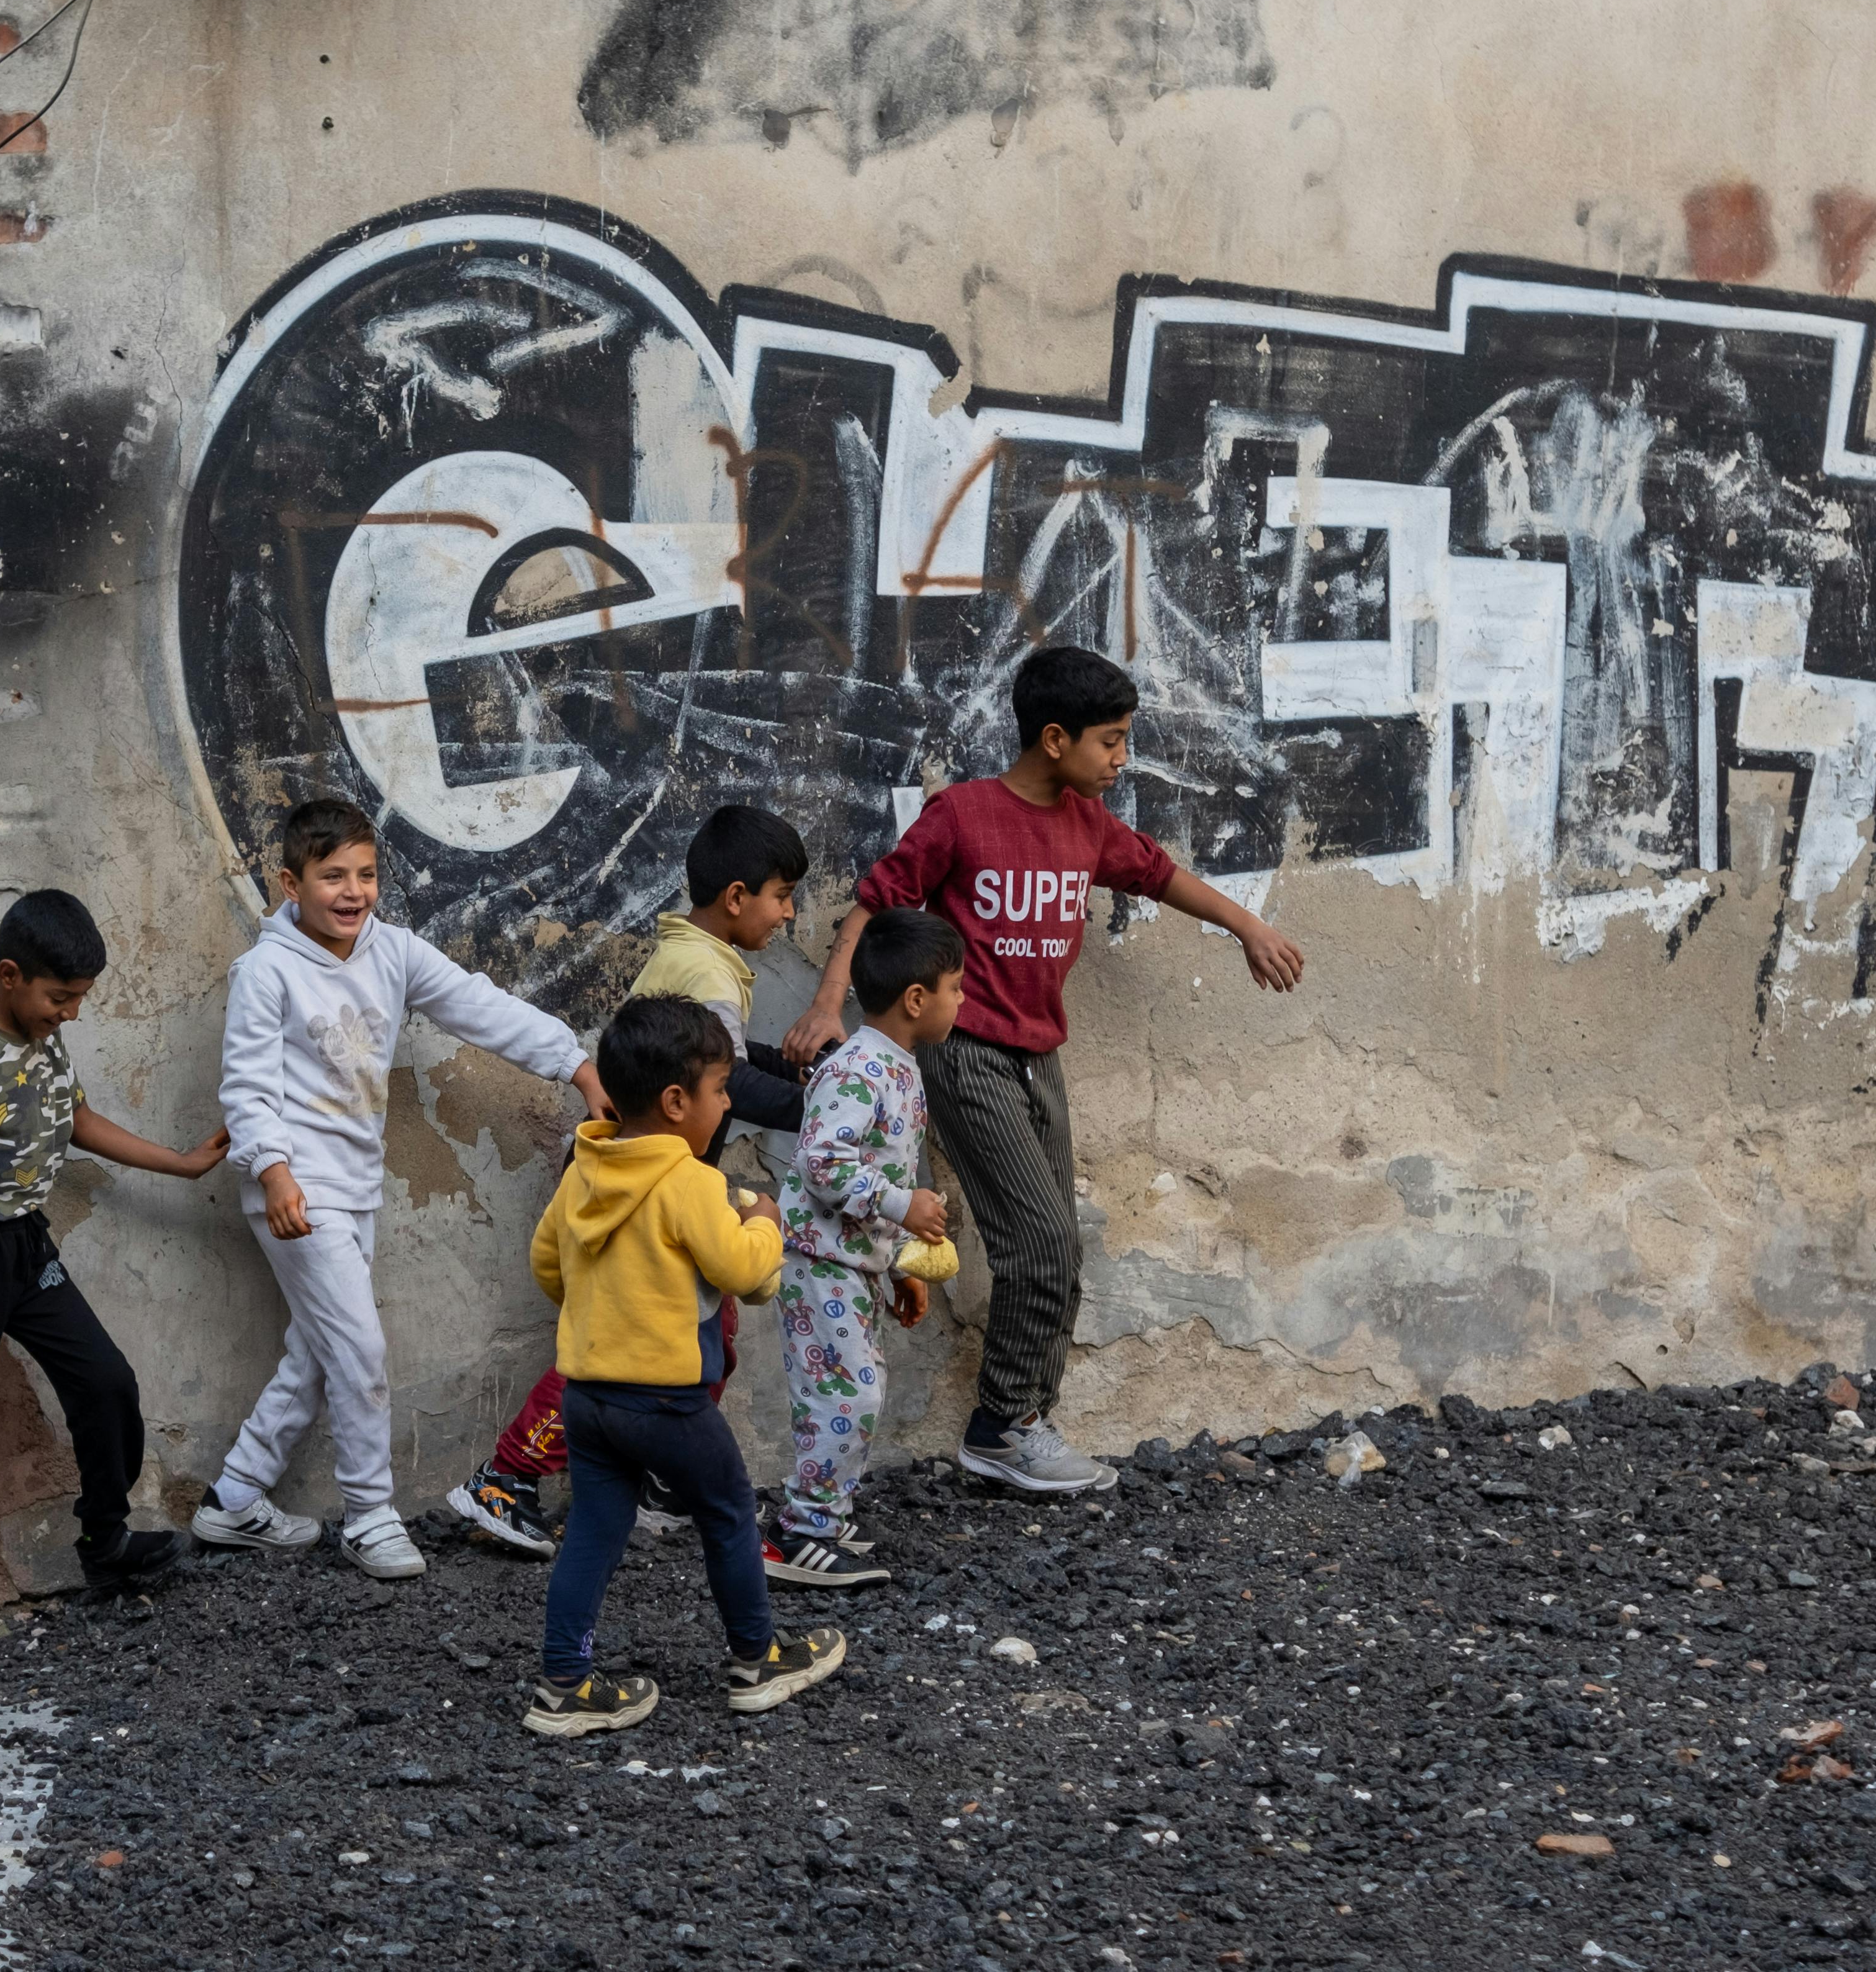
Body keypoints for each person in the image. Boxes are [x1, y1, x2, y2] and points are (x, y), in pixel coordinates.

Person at [785, 645, 1306, 1493]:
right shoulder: (962, 814)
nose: (1120, 758)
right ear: (1054, 738)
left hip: (1039, 1054)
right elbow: (878, 899)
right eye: (1111, 741)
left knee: (1058, 1246)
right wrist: (827, 1004)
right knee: (1040, 1238)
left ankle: (1026, 1419)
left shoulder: (1088, 823)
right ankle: (998, 1425)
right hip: (968, 1053)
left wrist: (1245, 925)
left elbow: (1161, 874)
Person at [201, 798, 609, 1581]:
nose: (352, 891)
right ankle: (369, 1515)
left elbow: (479, 1006)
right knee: (358, 1348)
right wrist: (274, 1171)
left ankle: (234, 1496)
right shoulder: (266, 971)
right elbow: (247, 1084)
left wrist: (576, 1063)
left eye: (366, 874)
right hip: (293, 1189)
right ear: (291, 883)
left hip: (353, 1188)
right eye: (331, 877)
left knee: (319, 1351)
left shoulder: (393, 952)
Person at [0, 889, 228, 1661]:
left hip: (25, 1246)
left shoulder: (41, 1034)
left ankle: (104, 1539)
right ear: (12, 974)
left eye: (80, 998)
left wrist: (181, 1164)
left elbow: (74, 1119)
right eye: (62, 997)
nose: (72, 1013)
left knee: (105, 1380)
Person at [449, 805, 809, 1559]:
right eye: (782, 894)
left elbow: (728, 1057)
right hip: (650, 1187)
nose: (789, 912)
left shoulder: (697, 958)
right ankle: (503, 1476)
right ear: (738, 897)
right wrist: (818, 1102)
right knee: (604, 1357)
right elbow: (732, 1081)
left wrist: (798, 1063)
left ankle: (663, 1480)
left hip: (659, 1180)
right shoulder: (705, 968)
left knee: (714, 1332)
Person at [525, 996, 847, 1736]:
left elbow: (548, 1262)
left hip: (588, 1396)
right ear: (677, 1102)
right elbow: (745, 1272)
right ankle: (756, 1658)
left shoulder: (586, 1168)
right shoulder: (693, 1182)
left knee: (594, 1530)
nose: (729, 1101)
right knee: (729, 1514)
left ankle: (564, 1683)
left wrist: (601, 1313)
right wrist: (766, 1223)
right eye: (721, 1088)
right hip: (669, 1403)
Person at [766, 907, 966, 1587]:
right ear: (917, 998)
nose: (961, 999)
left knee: (860, 1387)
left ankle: (826, 1509)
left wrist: (900, 1260)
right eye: (956, 987)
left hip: (851, 1262)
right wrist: (902, 1205)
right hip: (818, 1262)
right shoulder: (858, 1069)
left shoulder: (898, 1067)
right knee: (845, 1393)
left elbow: (877, 1167)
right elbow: (823, 1162)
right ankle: (799, 1530)